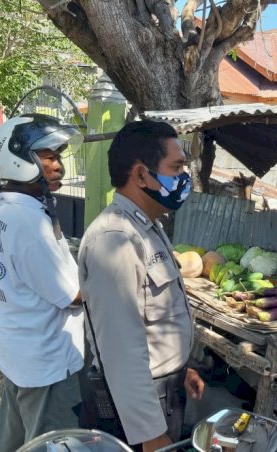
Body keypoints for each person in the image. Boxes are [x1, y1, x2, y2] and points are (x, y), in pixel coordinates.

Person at [77, 120, 205, 452]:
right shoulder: (114, 239)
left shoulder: (147, 227)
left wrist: (180, 368)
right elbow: (121, 349)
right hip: (136, 411)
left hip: (162, 393)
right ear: (141, 175)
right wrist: (151, 434)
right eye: (176, 168)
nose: (183, 178)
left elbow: (155, 317)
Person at [0, 114, 85, 452]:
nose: (58, 166)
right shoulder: (29, 220)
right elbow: (73, 295)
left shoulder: (9, 205)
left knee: (15, 442)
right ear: (17, 158)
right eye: (48, 156)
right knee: (51, 442)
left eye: (58, 156)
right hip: (46, 364)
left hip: (20, 349)